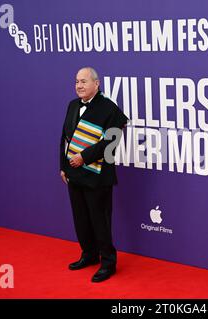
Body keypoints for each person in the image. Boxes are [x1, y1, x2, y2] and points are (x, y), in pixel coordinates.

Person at [60, 67, 128, 283]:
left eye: (84, 81)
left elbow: (111, 142)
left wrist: (84, 157)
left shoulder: (110, 110)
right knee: (81, 219)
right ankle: (88, 255)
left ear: (96, 84)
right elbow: (65, 138)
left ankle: (108, 262)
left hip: (98, 176)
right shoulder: (72, 105)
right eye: (76, 81)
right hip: (74, 172)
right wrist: (63, 166)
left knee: (100, 220)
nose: (79, 85)